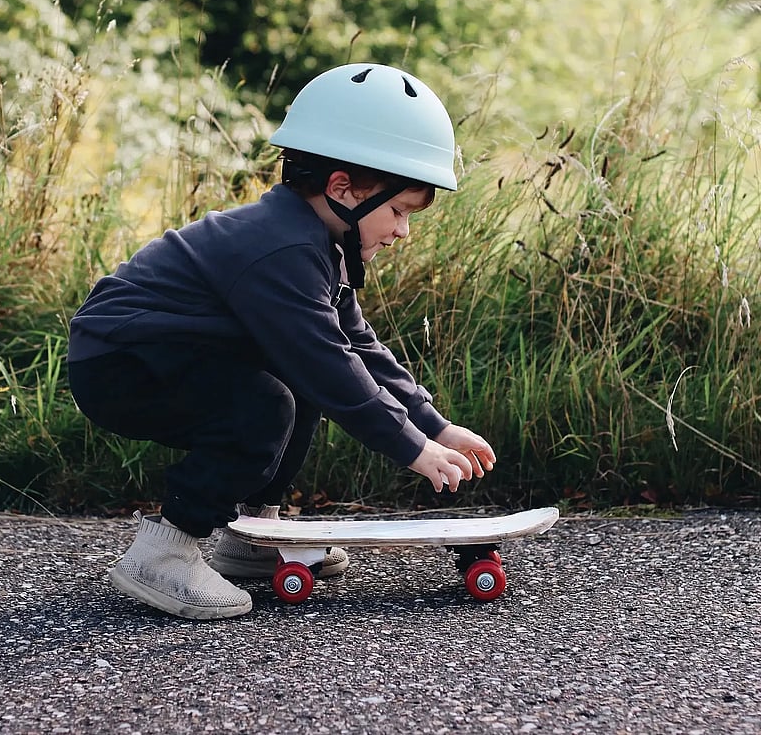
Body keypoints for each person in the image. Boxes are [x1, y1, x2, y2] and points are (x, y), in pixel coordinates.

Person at [67, 62, 496, 620]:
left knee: (293, 384)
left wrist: (433, 424)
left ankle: (254, 536)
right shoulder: (283, 252)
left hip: (170, 353)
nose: (402, 231)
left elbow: (355, 347)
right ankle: (165, 552)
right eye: (397, 211)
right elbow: (330, 365)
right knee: (266, 404)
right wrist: (411, 448)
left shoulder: (317, 243)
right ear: (342, 188)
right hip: (121, 362)